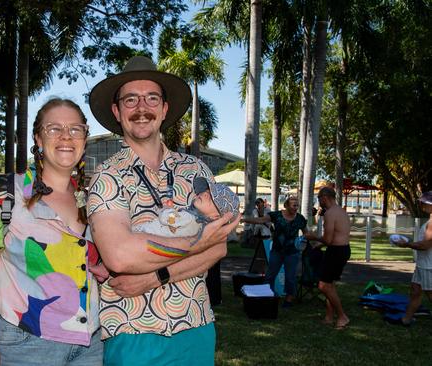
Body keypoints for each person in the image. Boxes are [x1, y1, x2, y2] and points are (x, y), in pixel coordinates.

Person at [87, 56, 238, 366]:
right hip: (132, 331)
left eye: (151, 97)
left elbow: (219, 245)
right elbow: (120, 256)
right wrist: (200, 243)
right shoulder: (107, 176)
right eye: (130, 99)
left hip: (195, 325)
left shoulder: (196, 170)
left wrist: (155, 277)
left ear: (164, 108)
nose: (142, 107)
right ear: (117, 111)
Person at [0, 98, 104, 366]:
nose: (66, 136)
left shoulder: (94, 200)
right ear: (38, 139)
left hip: (90, 345)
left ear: (85, 139)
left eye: (76, 129)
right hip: (25, 343)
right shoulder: (7, 193)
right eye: (54, 128)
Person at [241, 196, 309, 307]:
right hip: (277, 251)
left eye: (297, 205)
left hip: (292, 252)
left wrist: (312, 241)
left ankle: (289, 299)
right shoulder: (276, 215)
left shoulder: (300, 218)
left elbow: (306, 233)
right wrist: (244, 219)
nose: (296, 208)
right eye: (294, 205)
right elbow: (260, 220)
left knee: (290, 277)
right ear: (286, 205)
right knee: (270, 275)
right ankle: (267, 296)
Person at [305, 187, 351, 329]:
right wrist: (318, 245)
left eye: (319, 199)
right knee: (330, 284)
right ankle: (329, 316)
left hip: (336, 251)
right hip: (343, 249)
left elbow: (328, 240)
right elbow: (337, 236)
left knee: (323, 285)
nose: (319, 202)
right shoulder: (341, 211)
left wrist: (314, 237)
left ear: (324, 197)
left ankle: (342, 316)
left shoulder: (330, 214)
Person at [133, 177, 239, 238]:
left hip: (143, 234)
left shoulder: (190, 218)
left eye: (211, 199)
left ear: (216, 217)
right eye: (207, 191)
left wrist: (167, 209)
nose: (205, 194)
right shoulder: (199, 227)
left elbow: (170, 220)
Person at [393, 191, 432, 326]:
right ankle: (406, 319)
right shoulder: (429, 221)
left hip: (429, 266)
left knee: (430, 294)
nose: (421, 205)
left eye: (424, 202)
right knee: (415, 291)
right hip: (422, 264)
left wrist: (406, 244)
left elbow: (425, 245)